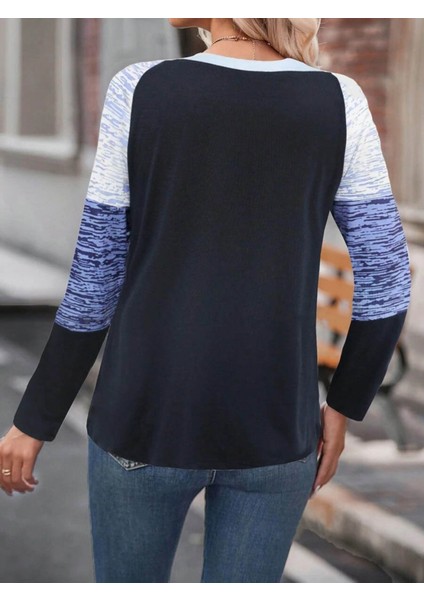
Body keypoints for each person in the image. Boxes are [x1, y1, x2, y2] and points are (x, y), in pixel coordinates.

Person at [0, 18, 411, 583]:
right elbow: (388, 278)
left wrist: (35, 419)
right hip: (276, 426)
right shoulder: (339, 100)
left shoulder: (140, 88)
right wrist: (343, 407)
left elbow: (96, 278)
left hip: (144, 416)